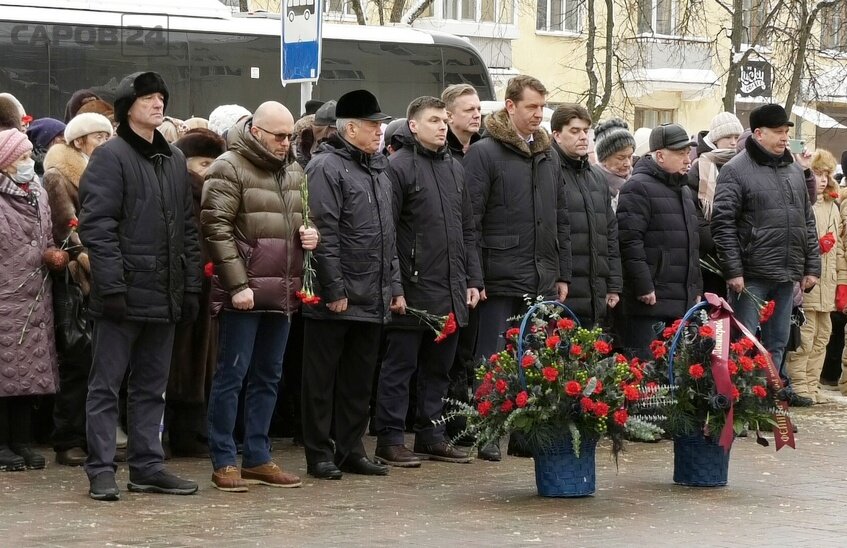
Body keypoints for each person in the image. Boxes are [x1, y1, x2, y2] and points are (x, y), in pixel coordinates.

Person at [79, 71, 202, 501]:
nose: (158, 103)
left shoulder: (173, 158)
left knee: (153, 387)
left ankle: (148, 466)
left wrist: (190, 288)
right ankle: (101, 469)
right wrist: (110, 287)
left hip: (164, 294)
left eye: (161, 97)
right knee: (106, 385)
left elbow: (188, 228)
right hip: (123, 294)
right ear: (127, 106)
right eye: (148, 97)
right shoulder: (111, 157)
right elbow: (98, 224)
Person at [202, 102, 317, 492]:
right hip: (246, 292)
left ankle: (257, 456)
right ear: (255, 130)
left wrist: (311, 235)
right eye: (278, 136)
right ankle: (223, 460)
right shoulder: (228, 167)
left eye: (289, 136)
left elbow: (303, 219)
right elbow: (215, 228)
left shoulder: (295, 171)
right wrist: (237, 286)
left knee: (269, 375)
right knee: (232, 374)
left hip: (282, 291)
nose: (286, 143)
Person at [463, 75, 570, 459]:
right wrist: (475, 275)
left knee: (535, 354)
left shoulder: (548, 154)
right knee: (492, 357)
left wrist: (562, 273)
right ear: (510, 106)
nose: (538, 115)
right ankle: (488, 431)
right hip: (497, 273)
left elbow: (560, 218)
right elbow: (470, 220)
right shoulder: (485, 153)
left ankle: (527, 433)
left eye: (542, 108)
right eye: (531, 107)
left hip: (541, 275)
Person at [373, 97, 482, 468]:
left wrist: (472, 279)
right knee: (400, 367)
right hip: (412, 289)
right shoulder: (398, 167)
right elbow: (386, 233)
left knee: (439, 368)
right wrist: (396, 287)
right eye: (433, 120)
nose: (441, 126)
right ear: (413, 125)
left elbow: (467, 229)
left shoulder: (455, 168)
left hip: (450, 287)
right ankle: (389, 438)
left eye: (444, 120)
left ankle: (430, 435)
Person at [301, 89, 396, 480]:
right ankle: (319, 452)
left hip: (372, 294)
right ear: (351, 127)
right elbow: (325, 232)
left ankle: (351, 448)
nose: (380, 132)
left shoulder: (378, 167)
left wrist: (393, 287)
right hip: (337, 296)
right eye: (374, 125)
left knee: (359, 381)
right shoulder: (325, 167)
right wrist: (335, 289)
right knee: (321, 380)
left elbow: (387, 234)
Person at [711, 104, 820, 407]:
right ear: (759, 133)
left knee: (777, 343)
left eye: (787, 131)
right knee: (744, 344)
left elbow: (806, 221)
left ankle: (769, 404)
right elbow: (723, 224)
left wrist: (812, 266)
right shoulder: (736, 170)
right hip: (751, 275)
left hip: (786, 273)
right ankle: (740, 405)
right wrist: (733, 270)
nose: (785, 138)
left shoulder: (793, 171)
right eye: (779, 132)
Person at [42, 112, 114, 466]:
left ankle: (90, 436)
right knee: (77, 359)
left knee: (98, 363)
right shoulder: (59, 176)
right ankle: (66, 438)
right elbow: (64, 227)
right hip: (78, 278)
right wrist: (88, 257)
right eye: (97, 136)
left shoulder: (106, 170)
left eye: (106, 135)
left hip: (104, 273)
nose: (103, 141)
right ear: (78, 141)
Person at [0, 129, 61, 472]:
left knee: (26, 375)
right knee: (3, 374)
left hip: (34, 298)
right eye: (21, 158)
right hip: (5, 297)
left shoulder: (37, 192)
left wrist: (53, 253)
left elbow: (48, 235)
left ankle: (21, 441)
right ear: (5, 164)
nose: (29, 163)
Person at [163, 129, 226, 460]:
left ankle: (194, 431)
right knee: (178, 362)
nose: (210, 169)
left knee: (203, 362)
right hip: (184, 289)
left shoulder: (215, 196)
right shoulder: (179, 195)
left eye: (215, 162)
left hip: (209, 291)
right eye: (204, 162)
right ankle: (175, 432)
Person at [616, 123, 702, 358]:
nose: (687, 159)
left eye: (688, 153)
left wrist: (695, 287)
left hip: (680, 301)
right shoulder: (637, 187)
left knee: (674, 377)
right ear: (660, 155)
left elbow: (691, 245)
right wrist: (644, 286)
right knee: (646, 376)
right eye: (681, 153)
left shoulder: (684, 191)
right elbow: (629, 242)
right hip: (650, 302)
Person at [550, 104, 622, 328]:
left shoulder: (597, 177)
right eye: (574, 131)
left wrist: (614, 283)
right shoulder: (547, 171)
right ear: (557, 135)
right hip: (563, 289)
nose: (583, 137)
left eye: (586, 130)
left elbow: (609, 231)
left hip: (596, 290)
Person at [785, 150, 846, 404]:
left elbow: (840, 247)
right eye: (818, 173)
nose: (822, 179)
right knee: (805, 338)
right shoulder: (806, 203)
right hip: (810, 282)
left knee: (823, 337)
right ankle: (799, 386)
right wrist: (815, 246)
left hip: (828, 282)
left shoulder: (833, 205)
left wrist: (842, 281)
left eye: (826, 174)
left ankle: (812, 384)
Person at [687, 112, 744, 298]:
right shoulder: (700, 167)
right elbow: (695, 211)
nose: (733, 142)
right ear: (715, 139)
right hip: (708, 255)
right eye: (728, 137)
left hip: (739, 254)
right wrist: (719, 242)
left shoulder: (744, 166)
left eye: (736, 137)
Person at [593, 118, 635, 212]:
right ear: (603, 158)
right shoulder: (592, 183)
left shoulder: (637, 179)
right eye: (621, 158)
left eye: (630, 156)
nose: (627, 163)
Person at [441, 83, 482, 158]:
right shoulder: (437, 151)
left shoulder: (484, 149)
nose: (477, 115)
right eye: (469, 110)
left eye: (479, 109)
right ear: (449, 116)